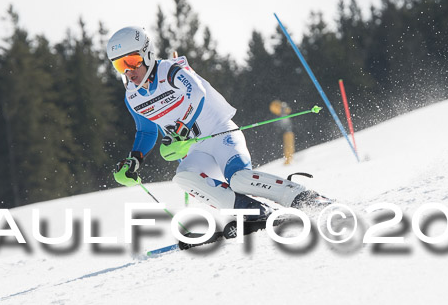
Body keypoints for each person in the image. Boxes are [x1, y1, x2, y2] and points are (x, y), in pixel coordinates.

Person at [107, 26, 329, 219]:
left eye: (132, 61)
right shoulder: (133, 96)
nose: (128, 70)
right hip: (195, 150)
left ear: (147, 54)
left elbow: (197, 93)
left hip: (221, 133)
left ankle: (304, 197)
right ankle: (252, 212)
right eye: (120, 65)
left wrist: (182, 130)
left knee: (239, 179)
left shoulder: (170, 70)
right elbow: (146, 131)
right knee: (184, 177)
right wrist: (134, 161)